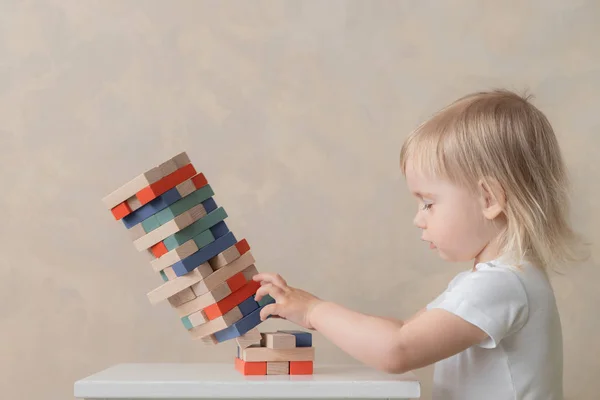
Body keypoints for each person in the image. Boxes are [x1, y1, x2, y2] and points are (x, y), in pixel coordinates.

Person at [253, 89, 586, 400]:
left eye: (428, 203)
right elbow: (405, 330)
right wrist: (311, 306)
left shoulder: (501, 284)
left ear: (489, 199)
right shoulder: (499, 278)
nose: (419, 219)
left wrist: (314, 311)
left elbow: (398, 349)